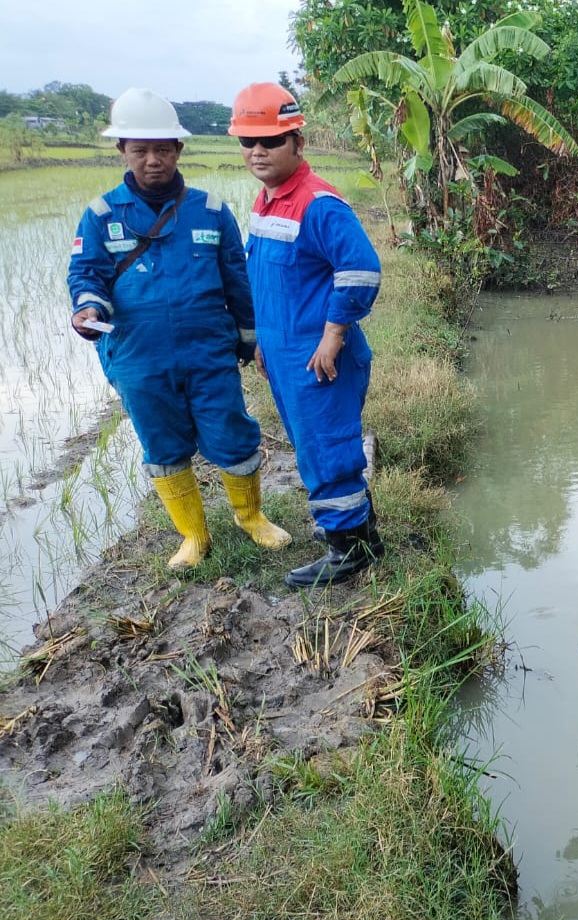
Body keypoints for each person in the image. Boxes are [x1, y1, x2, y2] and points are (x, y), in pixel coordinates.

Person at [67, 87, 290, 569]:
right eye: (141, 150)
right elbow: (86, 274)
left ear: (178, 151)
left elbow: (239, 281)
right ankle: (193, 535)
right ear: (122, 151)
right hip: (139, 358)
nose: (153, 160)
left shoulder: (210, 210)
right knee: (162, 444)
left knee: (232, 433)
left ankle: (251, 517)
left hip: (209, 352)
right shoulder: (103, 215)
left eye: (162, 150)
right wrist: (86, 310)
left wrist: (252, 343)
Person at [230, 82, 383, 588]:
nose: (258, 151)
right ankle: (361, 532)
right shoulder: (267, 202)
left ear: (298, 141)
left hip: (322, 357)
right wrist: (260, 345)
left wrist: (334, 334)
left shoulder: (319, 204)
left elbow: (360, 269)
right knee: (310, 444)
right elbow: (268, 283)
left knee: (325, 448)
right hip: (285, 354)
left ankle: (349, 550)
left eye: (271, 140)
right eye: (248, 141)